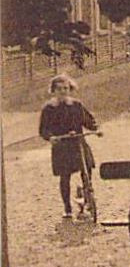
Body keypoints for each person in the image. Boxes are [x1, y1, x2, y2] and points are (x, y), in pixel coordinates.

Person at [38, 74, 98, 218]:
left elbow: (88, 120)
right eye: (59, 89)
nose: (63, 92)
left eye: (66, 88)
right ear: (53, 91)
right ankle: (67, 207)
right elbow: (43, 129)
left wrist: (95, 127)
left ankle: (88, 197)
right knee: (65, 177)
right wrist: (50, 137)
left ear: (70, 89)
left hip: (78, 144)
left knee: (87, 169)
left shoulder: (76, 105)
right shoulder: (49, 109)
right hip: (62, 146)